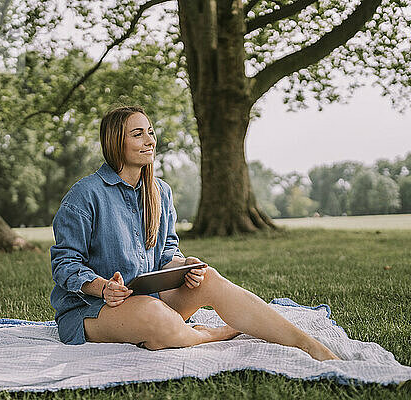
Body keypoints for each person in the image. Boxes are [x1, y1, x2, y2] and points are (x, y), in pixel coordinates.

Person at [50, 105, 339, 361]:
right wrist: (103, 287)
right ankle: (214, 334)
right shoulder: (85, 194)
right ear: (115, 142)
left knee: (208, 277)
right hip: (91, 309)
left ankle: (306, 344)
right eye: (137, 134)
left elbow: (166, 254)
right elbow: (64, 263)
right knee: (155, 317)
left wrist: (184, 266)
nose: (150, 140)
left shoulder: (160, 192)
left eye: (150, 132)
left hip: (149, 299)